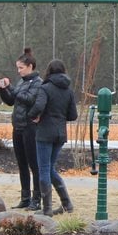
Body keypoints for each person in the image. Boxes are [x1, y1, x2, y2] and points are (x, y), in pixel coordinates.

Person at [28, 59, 78, 216]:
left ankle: (47, 209)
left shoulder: (45, 88)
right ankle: (66, 204)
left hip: (44, 133)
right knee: (49, 168)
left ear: (49, 71)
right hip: (60, 135)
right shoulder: (68, 91)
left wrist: (32, 116)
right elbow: (73, 115)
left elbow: (38, 106)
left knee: (43, 168)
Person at [0, 48, 43, 210]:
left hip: (31, 128)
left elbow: (29, 99)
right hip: (18, 127)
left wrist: (12, 89)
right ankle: (25, 197)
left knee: (34, 164)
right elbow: (12, 101)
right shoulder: (22, 82)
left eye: (21, 68)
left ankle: (37, 199)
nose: (19, 71)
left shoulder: (38, 83)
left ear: (30, 66)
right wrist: (3, 89)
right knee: (21, 164)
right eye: (17, 68)